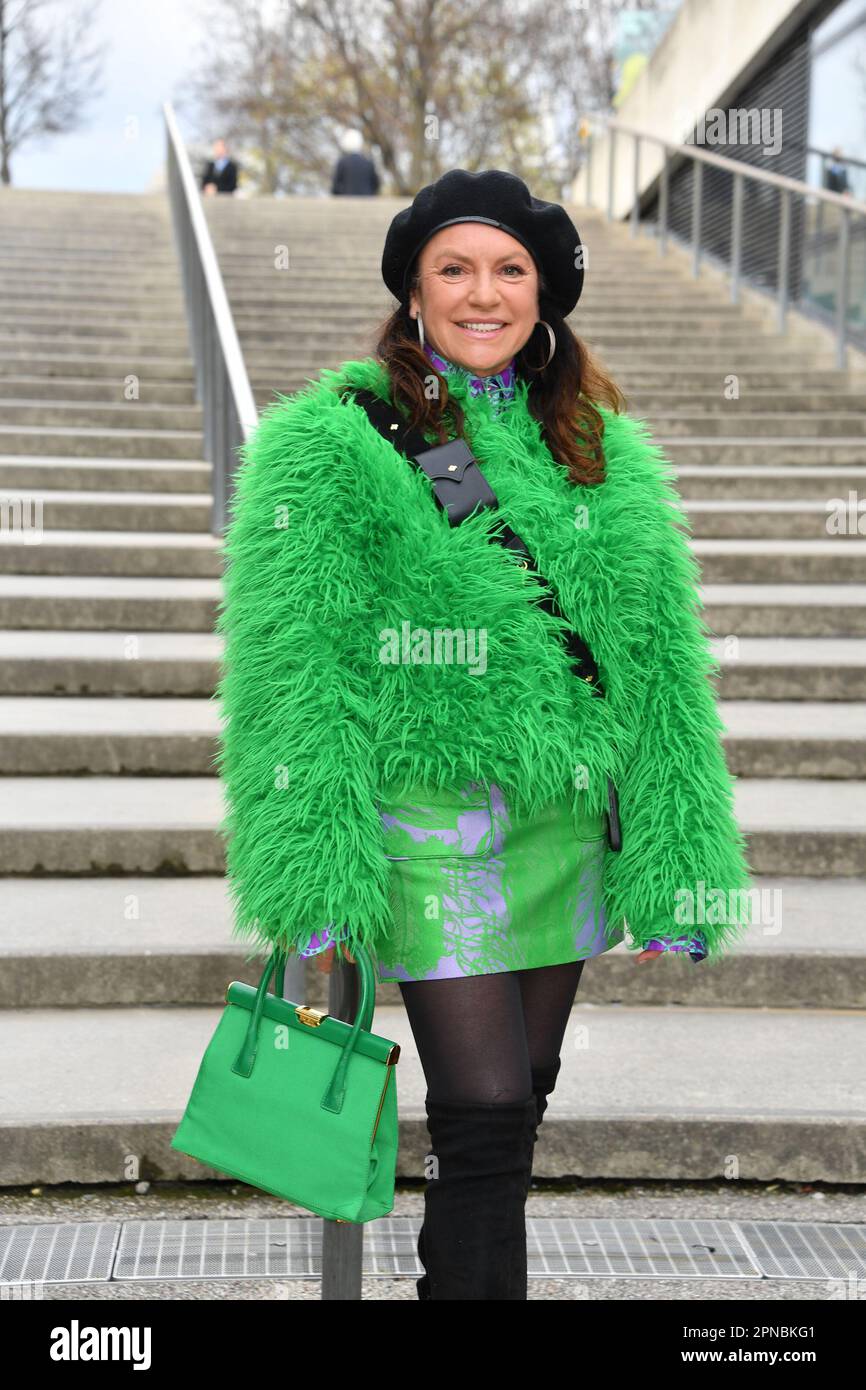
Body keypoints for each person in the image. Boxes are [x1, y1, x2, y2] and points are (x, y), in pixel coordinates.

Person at [217, 168, 754, 1300]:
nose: (481, 292)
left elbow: (658, 671)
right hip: (425, 823)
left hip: (563, 817)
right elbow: (290, 671)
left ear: (544, 294)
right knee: (490, 1104)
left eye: (508, 269)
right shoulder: (330, 441)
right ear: (411, 292)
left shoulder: (601, 451)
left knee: (523, 1097)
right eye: (452, 268)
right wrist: (312, 873)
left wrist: (678, 859)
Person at [331, 127, 380, 195]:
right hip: (366, 202)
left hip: (346, 202)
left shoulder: (342, 163)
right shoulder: (368, 163)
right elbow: (375, 185)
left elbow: (335, 187)